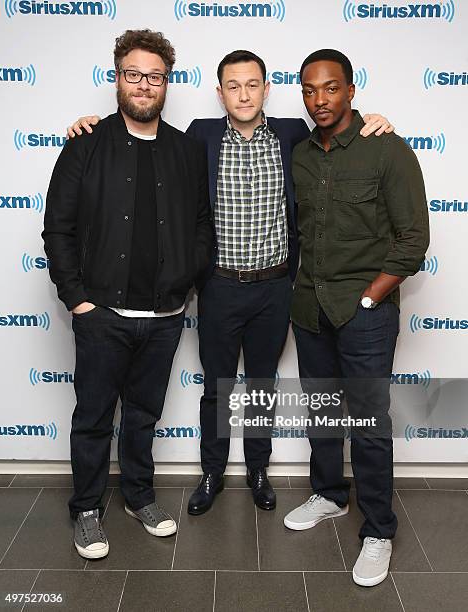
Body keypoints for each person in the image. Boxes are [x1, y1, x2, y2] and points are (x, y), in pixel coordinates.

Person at [66, 50, 393, 516]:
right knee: (217, 388)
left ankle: (258, 470)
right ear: (220, 93)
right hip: (218, 287)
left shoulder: (293, 134)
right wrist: (90, 125)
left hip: (275, 288)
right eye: (233, 86)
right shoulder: (197, 137)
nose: (243, 94)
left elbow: (343, 132)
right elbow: (137, 132)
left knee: (260, 384)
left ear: (266, 88)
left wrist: (376, 122)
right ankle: (212, 472)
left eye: (252, 84)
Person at [42, 29, 213, 560]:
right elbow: (58, 230)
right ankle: (88, 511)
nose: (143, 85)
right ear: (117, 78)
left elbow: (202, 225)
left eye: (154, 76)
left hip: (164, 316)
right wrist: (78, 301)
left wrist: (187, 279)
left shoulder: (187, 149)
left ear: (167, 83)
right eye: (133, 74)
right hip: (102, 314)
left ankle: (140, 497)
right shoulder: (85, 145)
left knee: (143, 415)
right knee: (93, 418)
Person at [283, 49, 429, 587]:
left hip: (365, 312)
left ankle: (379, 530)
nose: (319, 99)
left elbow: (413, 239)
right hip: (310, 308)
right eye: (309, 90)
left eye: (331, 88)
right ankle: (329, 495)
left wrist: (371, 297)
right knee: (323, 412)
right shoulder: (298, 152)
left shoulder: (385, 148)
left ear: (351, 89)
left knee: (369, 425)